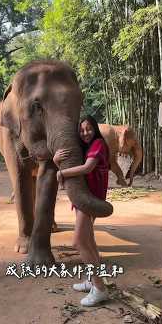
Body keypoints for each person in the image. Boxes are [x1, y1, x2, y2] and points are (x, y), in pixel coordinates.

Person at [53, 115, 110, 306]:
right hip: (83, 198)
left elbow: (87, 168)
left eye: (89, 129)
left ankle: (100, 288)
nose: (85, 133)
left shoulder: (99, 144)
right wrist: (56, 161)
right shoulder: (87, 147)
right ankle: (90, 280)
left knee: (78, 241)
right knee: (89, 241)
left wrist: (61, 173)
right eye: (82, 130)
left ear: (95, 129)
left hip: (89, 200)